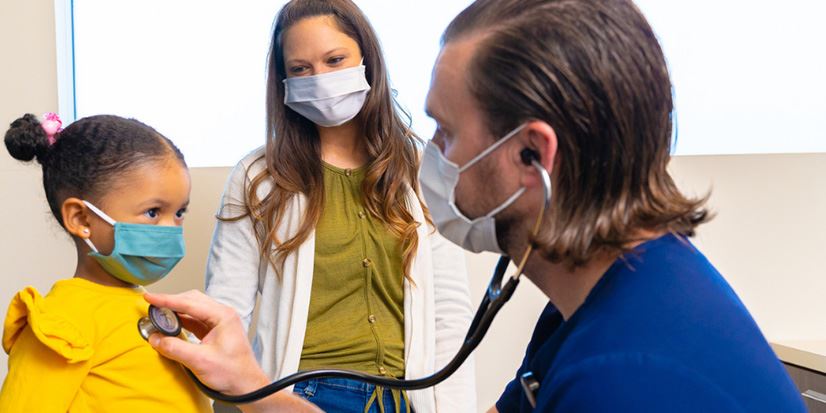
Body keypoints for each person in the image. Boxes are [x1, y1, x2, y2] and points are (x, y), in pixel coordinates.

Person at [149, 0, 806, 411]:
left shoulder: (626, 377)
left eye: (446, 131)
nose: (429, 154)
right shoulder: (611, 299)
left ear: (532, 158)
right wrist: (249, 383)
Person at [204, 0, 475, 412]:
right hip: (304, 396)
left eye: (334, 60)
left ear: (366, 58)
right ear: (283, 80)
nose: (320, 78)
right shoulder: (258, 176)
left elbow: (450, 310)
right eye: (300, 69)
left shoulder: (422, 168)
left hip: (406, 400)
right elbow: (225, 312)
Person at [0, 113, 212, 411]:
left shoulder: (149, 307)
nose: (171, 229)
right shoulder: (60, 324)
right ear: (81, 219)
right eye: (153, 212)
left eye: (179, 213)